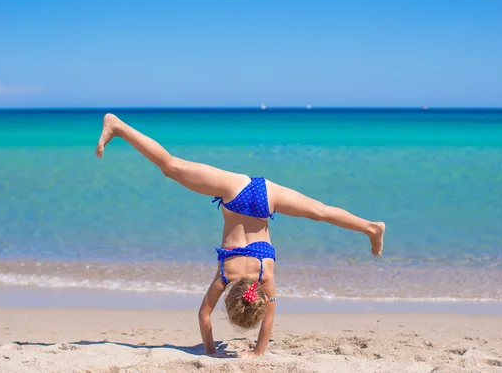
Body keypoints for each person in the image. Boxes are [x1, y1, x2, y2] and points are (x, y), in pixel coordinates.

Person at [95, 113, 386, 359]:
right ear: (231, 298)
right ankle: (118, 126)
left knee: (318, 211)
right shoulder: (226, 273)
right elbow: (204, 315)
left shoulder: (265, 275)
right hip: (234, 194)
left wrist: (258, 350)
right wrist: (210, 349)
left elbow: (269, 317)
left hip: (263, 197)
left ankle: (371, 228)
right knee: (171, 168)